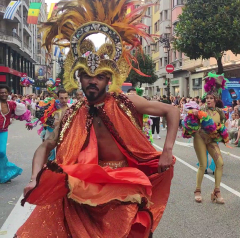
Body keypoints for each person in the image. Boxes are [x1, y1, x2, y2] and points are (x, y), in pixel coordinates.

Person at [17, 1, 179, 237]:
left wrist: (167, 149)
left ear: (108, 79)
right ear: (79, 78)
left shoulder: (127, 101)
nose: (93, 81)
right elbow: (46, 145)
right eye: (87, 76)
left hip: (123, 183)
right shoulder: (70, 114)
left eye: (100, 76)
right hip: (84, 188)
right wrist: (34, 179)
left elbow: (172, 111)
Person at [182, 73, 229, 204]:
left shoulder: (220, 112)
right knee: (203, 164)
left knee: (220, 163)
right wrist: (193, 113)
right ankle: (197, 190)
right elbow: (189, 115)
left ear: (216, 99)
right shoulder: (200, 109)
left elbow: (224, 127)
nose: (208, 100)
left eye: (210, 98)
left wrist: (221, 129)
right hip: (200, 138)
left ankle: (216, 191)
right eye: (207, 98)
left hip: (212, 140)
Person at [0, 85, 31, 183]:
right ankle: (3, 174)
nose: (3, 94)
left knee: (1, 152)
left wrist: (29, 121)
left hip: (3, 131)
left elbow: (24, 113)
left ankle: (8, 171)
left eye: (5, 92)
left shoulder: (12, 104)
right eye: (1, 92)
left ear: (8, 93)